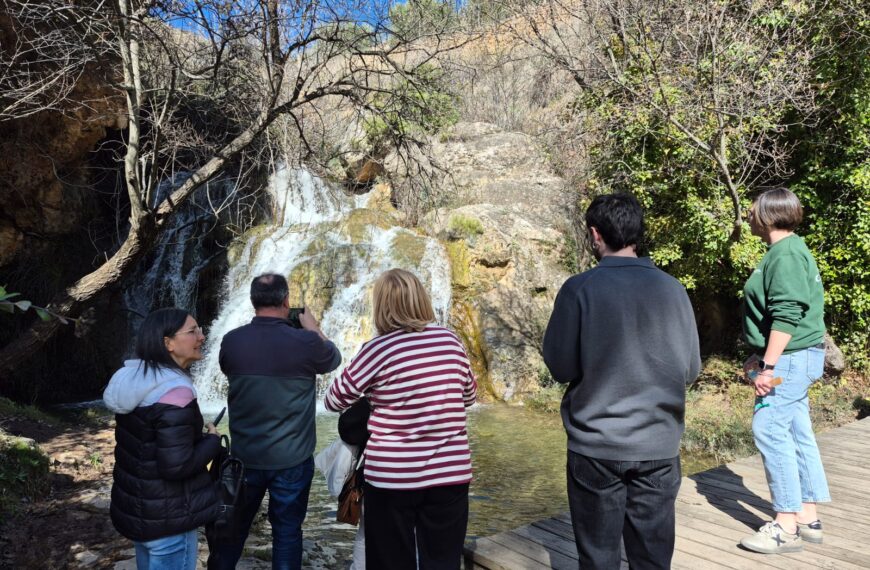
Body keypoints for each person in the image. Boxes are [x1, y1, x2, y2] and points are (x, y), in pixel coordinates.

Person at [542, 193, 701, 570]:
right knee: (652, 558)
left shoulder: (579, 289)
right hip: (658, 445)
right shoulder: (673, 289)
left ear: (595, 235)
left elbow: (561, 367)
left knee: (598, 559)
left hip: (595, 445)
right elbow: (690, 370)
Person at [324, 268, 477, 570]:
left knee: (391, 563)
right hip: (450, 475)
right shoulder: (451, 341)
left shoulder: (377, 349)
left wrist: (374, 395)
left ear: (381, 306)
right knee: (443, 562)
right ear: (421, 300)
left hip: (393, 478)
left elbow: (333, 400)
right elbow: (469, 396)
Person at [212, 273, 341, 570]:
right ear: (286, 301)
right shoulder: (307, 342)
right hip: (292, 460)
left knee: (232, 532)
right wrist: (314, 328)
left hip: (245, 459)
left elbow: (227, 367)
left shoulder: (232, 341)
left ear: (252, 301)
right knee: (287, 533)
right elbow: (333, 360)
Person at [738, 187, 831, 554]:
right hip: (795, 356)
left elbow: (788, 314)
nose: (747, 213)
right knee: (795, 429)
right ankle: (807, 515)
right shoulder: (787, 250)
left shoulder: (786, 254)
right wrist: (762, 356)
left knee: (769, 427)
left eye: (753, 208)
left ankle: (785, 526)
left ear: (769, 214)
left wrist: (768, 366)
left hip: (789, 359)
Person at [103, 308, 220, 570]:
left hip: (141, 511)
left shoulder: (134, 381)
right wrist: (212, 442)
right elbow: (176, 465)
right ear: (167, 343)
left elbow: (150, 442)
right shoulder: (175, 392)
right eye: (193, 331)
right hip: (169, 518)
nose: (201, 337)